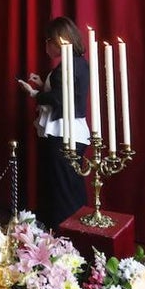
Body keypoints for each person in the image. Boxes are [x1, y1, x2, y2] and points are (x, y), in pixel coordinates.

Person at [18, 16, 90, 228]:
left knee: (62, 186)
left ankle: (64, 232)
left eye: (48, 40)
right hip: (68, 131)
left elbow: (61, 98)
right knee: (64, 183)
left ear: (59, 40)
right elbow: (65, 92)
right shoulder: (76, 63)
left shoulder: (70, 65)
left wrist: (34, 93)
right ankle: (65, 230)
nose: (46, 45)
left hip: (64, 133)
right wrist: (43, 84)